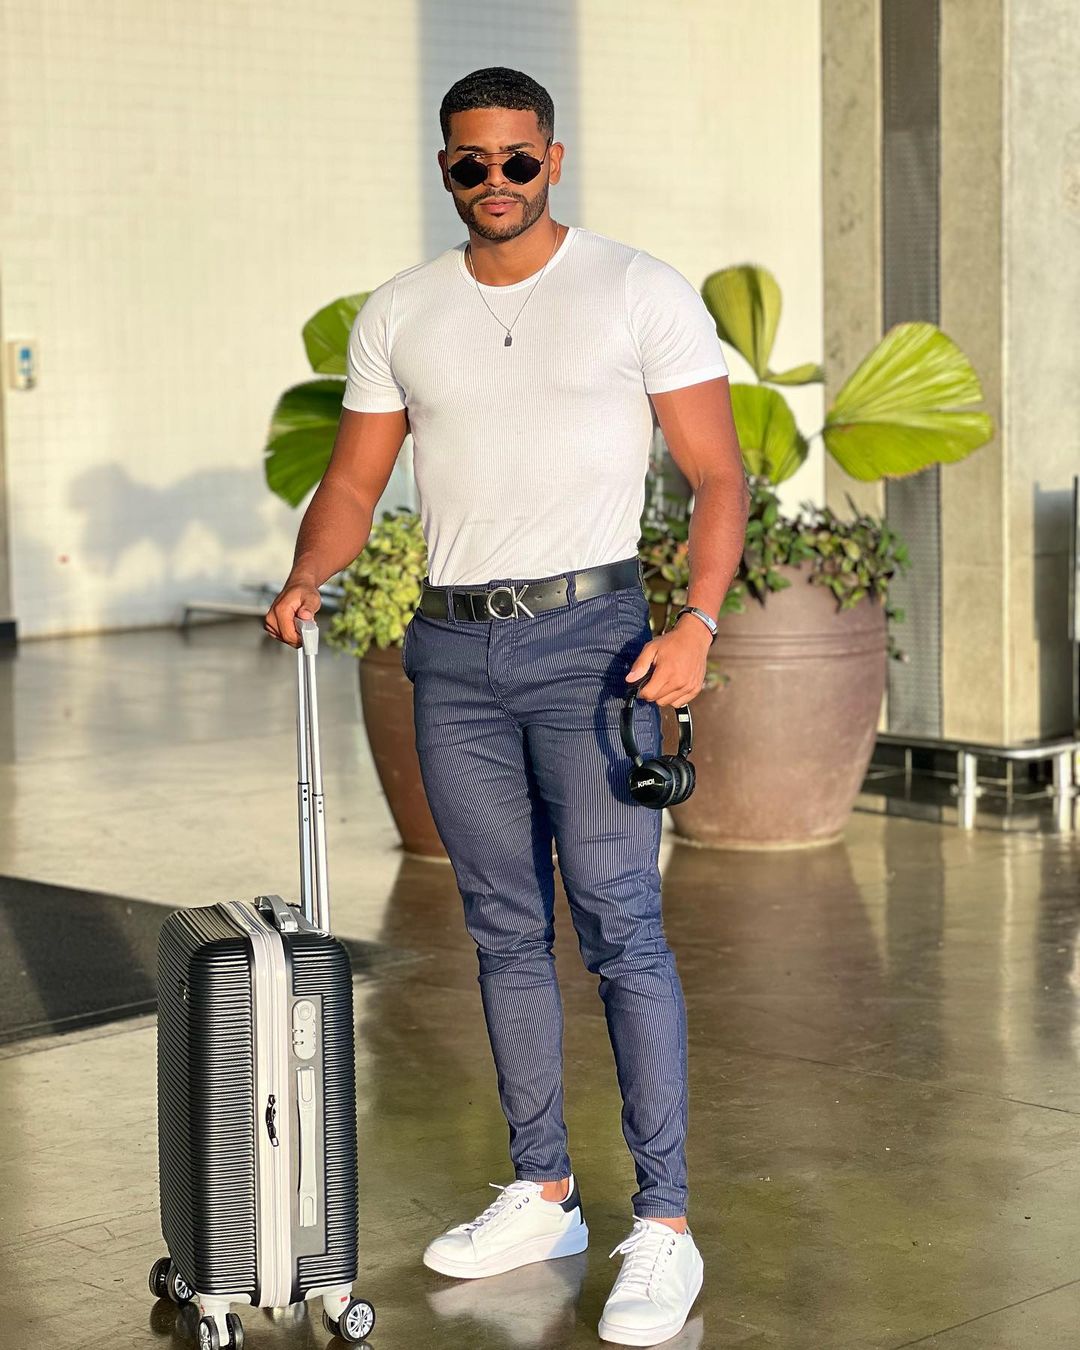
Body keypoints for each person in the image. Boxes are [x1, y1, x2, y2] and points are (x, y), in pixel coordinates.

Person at [265, 65, 747, 1348]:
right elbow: (356, 482)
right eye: (471, 163)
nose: (496, 182)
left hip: (595, 645)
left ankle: (665, 1222)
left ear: (553, 158)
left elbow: (716, 475)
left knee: (621, 925)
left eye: (517, 160)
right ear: (446, 169)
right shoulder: (404, 311)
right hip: (453, 653)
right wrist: (310, 572)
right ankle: (544, 1190)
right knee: (502, 929)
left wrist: (696, 623)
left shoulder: (636, 290)